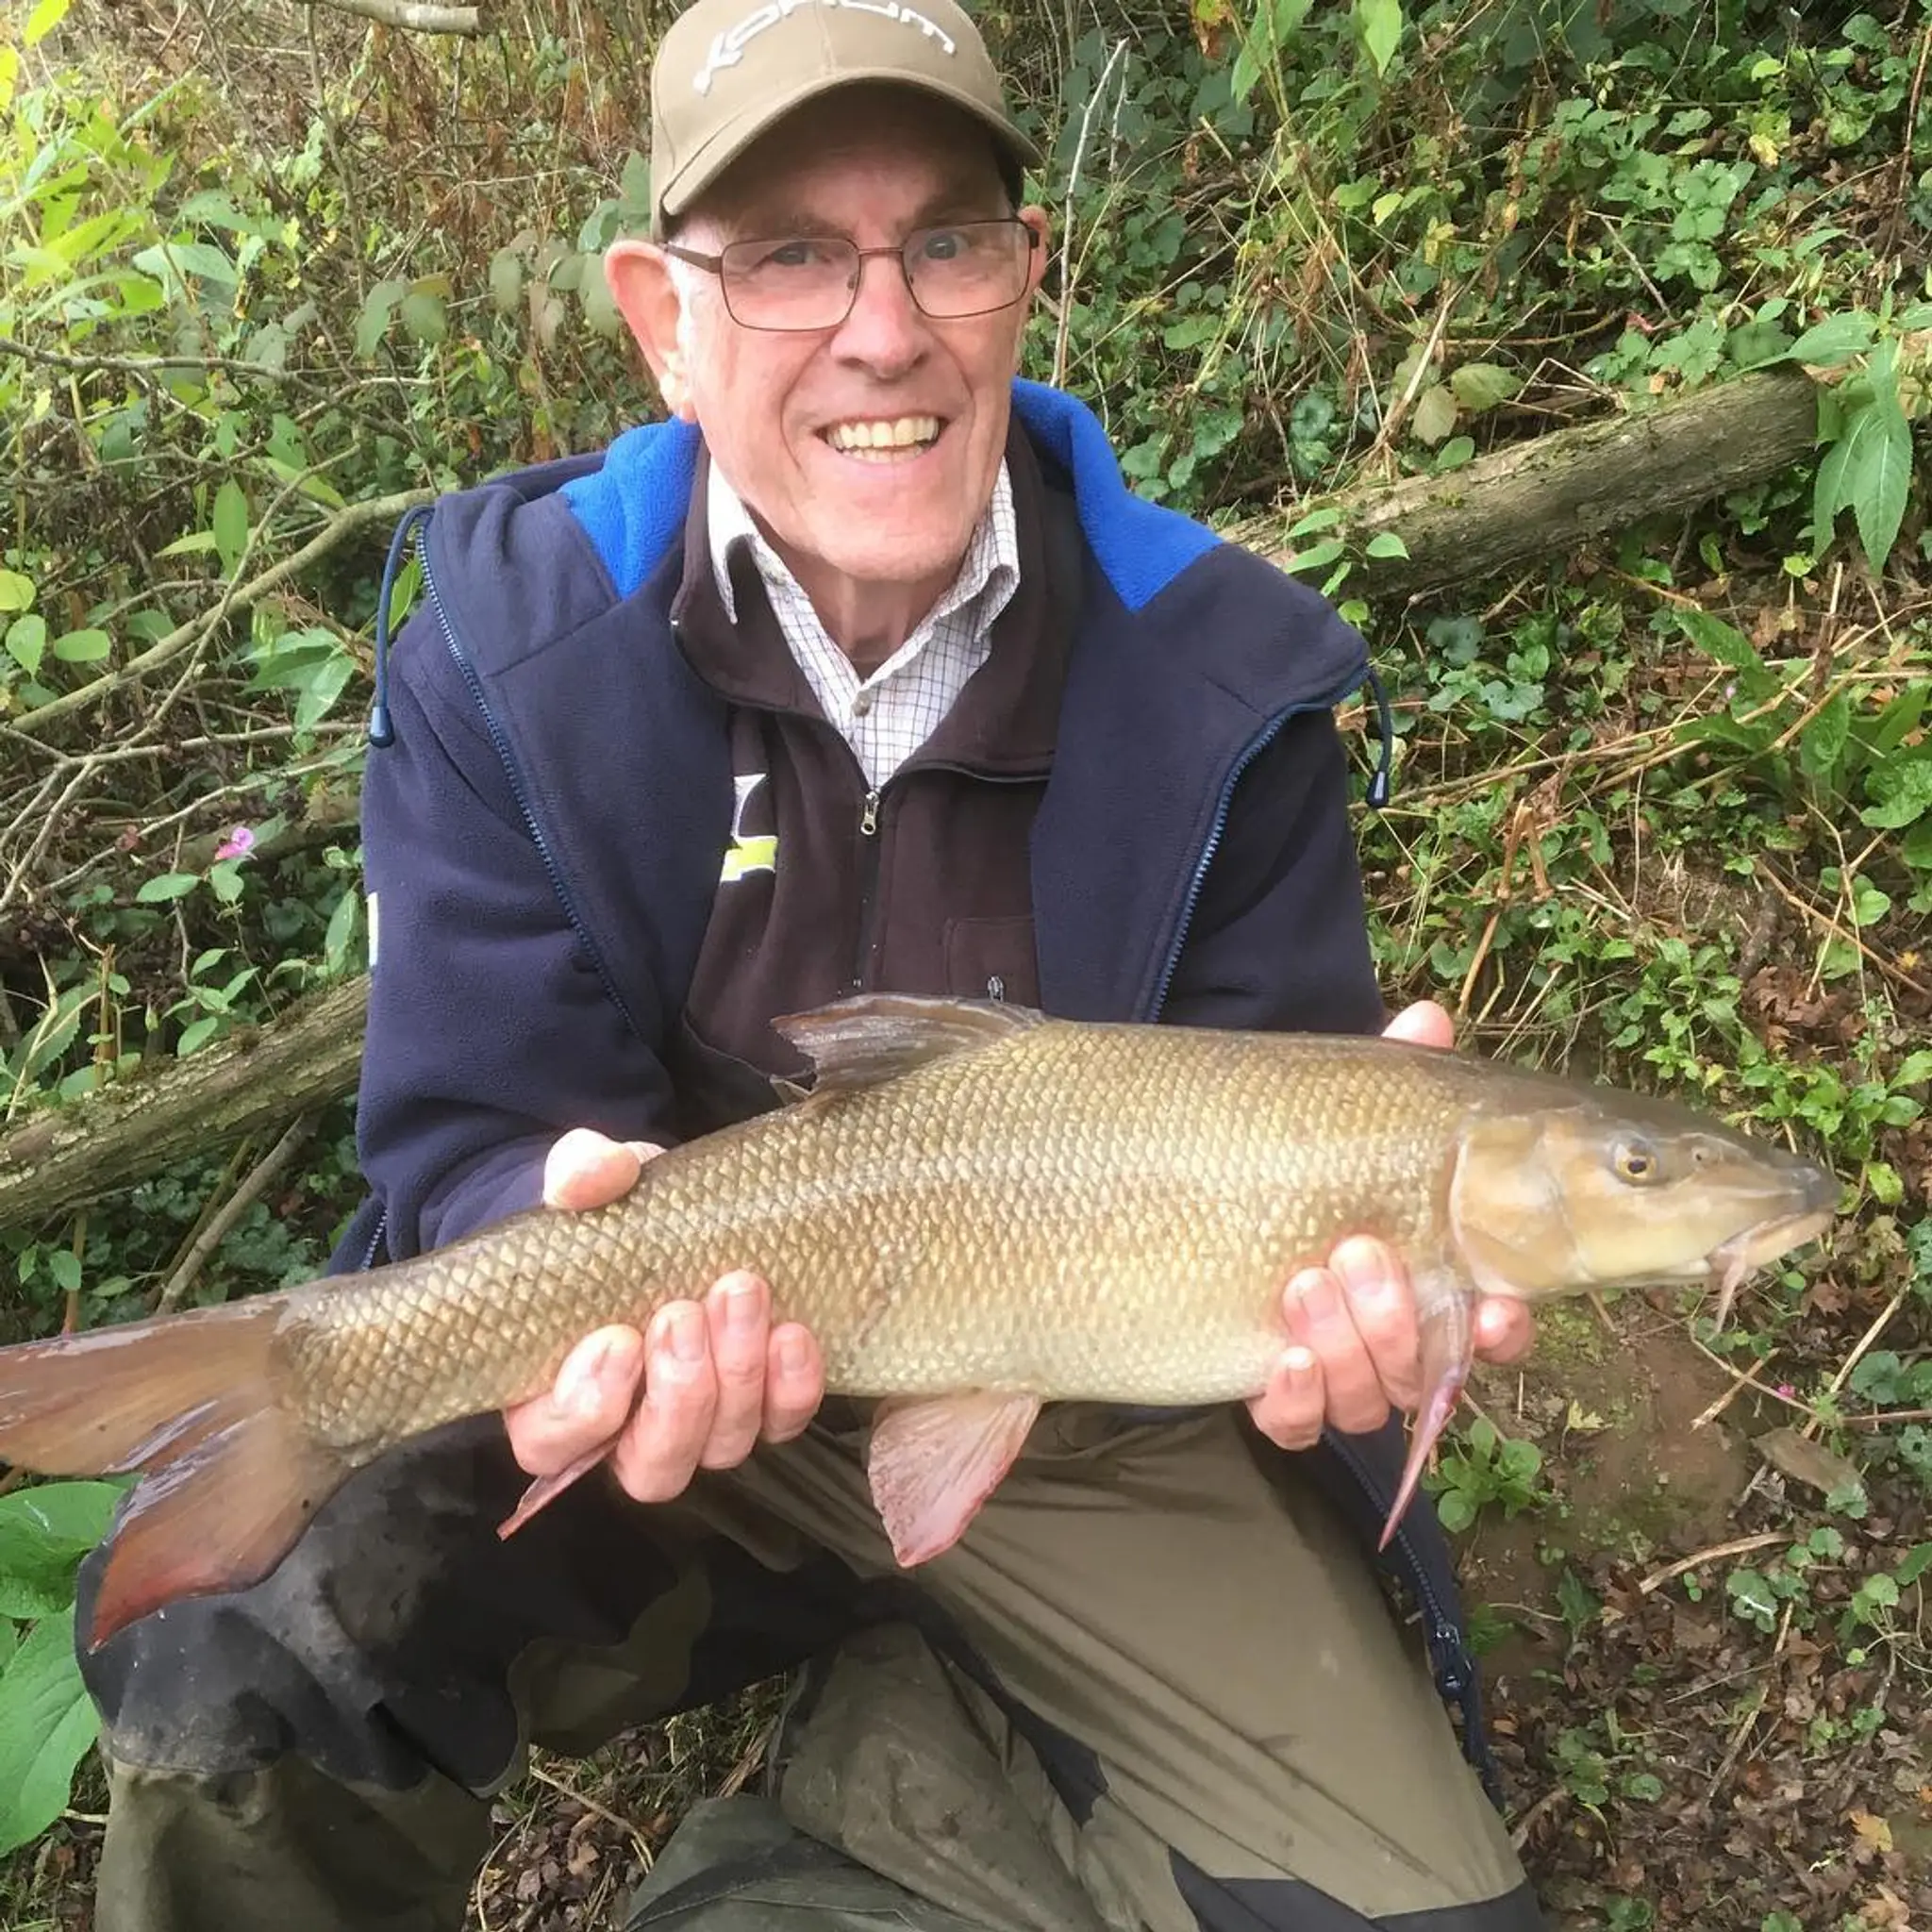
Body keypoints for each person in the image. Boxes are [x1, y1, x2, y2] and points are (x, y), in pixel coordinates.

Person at [75, 2, 1551, 1925]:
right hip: (646, 1377)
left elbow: (1267, 1099)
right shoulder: (506, 655)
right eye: (785, 254)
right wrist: (553, 1219)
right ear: (660, 317)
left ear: (1031, 272)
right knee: (237, 1689)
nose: (883, 326)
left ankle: (864, 1810)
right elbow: (462, 1137)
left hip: (1082, 1423)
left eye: (945, 237)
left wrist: (1337, 1325)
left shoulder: (1226, 669)